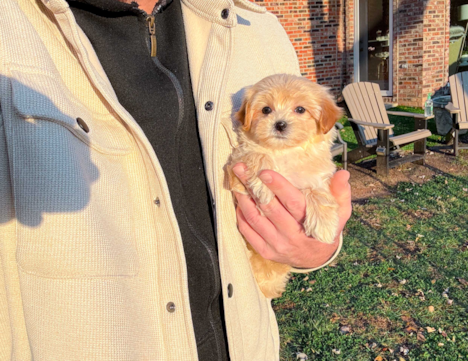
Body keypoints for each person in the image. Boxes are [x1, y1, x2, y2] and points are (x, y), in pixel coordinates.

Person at [0, 0, 352, 359]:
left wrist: (316, 248)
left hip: (244, 344)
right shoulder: (11, 25)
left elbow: (308, 169)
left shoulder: (257, 27)